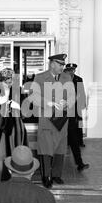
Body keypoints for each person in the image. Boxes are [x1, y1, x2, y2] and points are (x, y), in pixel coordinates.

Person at [31, 53, 75, 188]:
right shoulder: (40, 77)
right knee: (46, 147)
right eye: (60, 64)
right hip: (47, 119)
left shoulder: (67, 77)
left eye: (63, 64)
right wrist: (49, 103)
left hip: (62, 119)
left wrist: (67, 103)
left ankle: (56, 174)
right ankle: (46, 176)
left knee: (60, 147)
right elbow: (34, 96)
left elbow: (73, 96)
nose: (62, 67)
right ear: (52, 64)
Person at [64, 63, 89, 171]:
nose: (71, 71)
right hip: (63, 113)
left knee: (75, 137)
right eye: (69, 70)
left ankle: (80, 163)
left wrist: (82, 104)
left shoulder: (79, 79)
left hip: (74, 110)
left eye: (72, 70)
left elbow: (81, 93)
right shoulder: (61, 79)